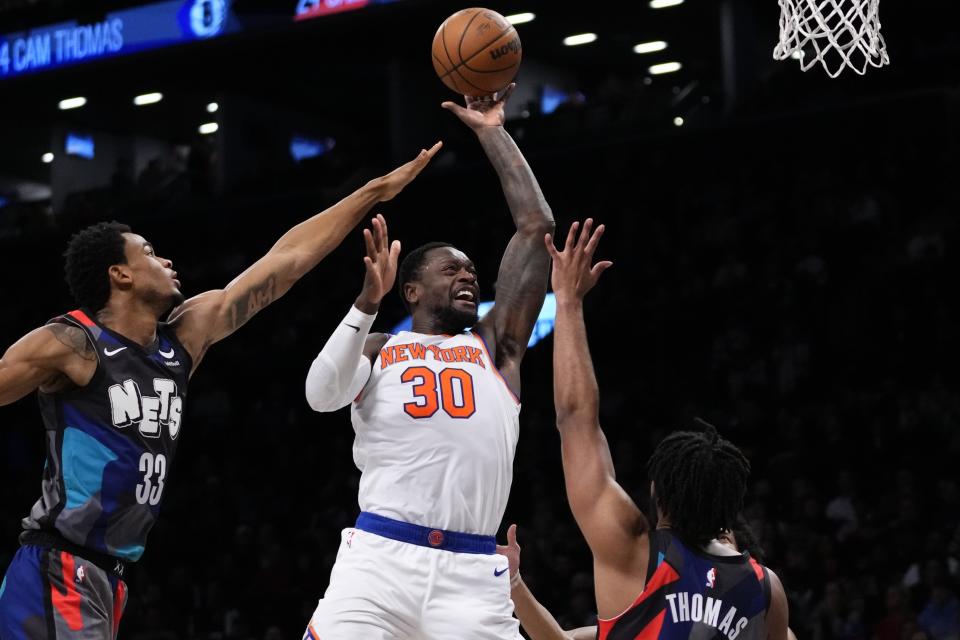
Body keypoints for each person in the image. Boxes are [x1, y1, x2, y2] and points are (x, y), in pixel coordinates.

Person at [0, 142, 441, 639]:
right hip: (57, 566)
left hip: (108, 576)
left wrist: (375, 191)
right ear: (119, 274)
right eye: (147, 252)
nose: (165, 258)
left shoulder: (182, 340)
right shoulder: (73, 342)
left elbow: (286, 261)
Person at [302, 84, 554, 639]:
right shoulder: (377, 348)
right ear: (410, 291)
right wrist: (366, 303)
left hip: (471, 571)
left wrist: (493, 134)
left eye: (471, 270)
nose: (468, 275)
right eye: (450, 270)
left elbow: (536, 232)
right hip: (379, 562)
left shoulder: (496, 347)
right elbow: (320, 395)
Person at [544, 219, 791, 640]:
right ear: (731, 507)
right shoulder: (766, 588)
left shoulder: (632, 547)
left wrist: (568, 301)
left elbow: (575, 418)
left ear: (658, 490)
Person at [496, 521, 798, 640]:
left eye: (723, 539)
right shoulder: (651, 613)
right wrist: (514, 582)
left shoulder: (772, 626)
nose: (714, 549)